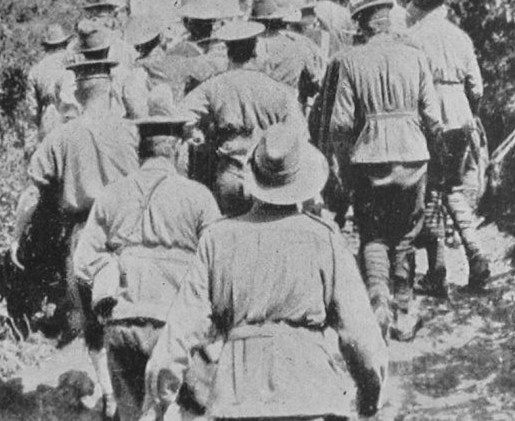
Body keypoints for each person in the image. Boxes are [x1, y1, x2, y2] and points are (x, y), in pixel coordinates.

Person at [144, 123, 387, 421]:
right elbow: (361, 335)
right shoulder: (325, 239)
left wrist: (159, 399)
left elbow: (181, 328)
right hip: (312, 396)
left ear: (253, 177)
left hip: (238, 398)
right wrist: (369, 397)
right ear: (302, 181)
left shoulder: (218, 240)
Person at [73, 104, 220, 421]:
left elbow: (83, 262)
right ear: (178, 148)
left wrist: (113, 275)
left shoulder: (112, 195)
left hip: (124, 323)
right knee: (198, 409)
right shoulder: (198, 197)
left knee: (132, 413)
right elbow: (218, 267)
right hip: (178, 326)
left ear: (140, 150)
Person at [13, 55, 140, 417]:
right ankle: (135, 392)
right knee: (134, 312)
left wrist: (16, 235)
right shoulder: (132, 130)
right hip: (131, 231)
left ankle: (109, 393)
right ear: (110, 87)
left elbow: (32, 194)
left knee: (93, 325)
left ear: (79, 91)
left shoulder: (61, 136)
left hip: (86, 235)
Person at [327, 0, 443, 341]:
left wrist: (345, 166)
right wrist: (436, 159)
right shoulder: (416, 56)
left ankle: (378, 305)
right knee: (406, 234)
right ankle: (404, 311)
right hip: (413, 156)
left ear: (362, 26)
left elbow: (340, 125)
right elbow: (433, 118)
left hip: (369, 158)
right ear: (389, 22)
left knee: (373, 233)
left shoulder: (350, 60)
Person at [400, 0, 490, 293]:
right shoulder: (460, 37)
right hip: (460, 115)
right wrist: (468, 116)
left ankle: (436, 272)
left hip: (430, 117)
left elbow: (409, 87)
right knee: (450, 187)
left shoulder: (414, 39)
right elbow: (476, 88)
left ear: (420, 1)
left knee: (430, 191)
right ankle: (476, 257)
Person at [180, 20, 303, 215]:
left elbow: (183, 115)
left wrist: (196, 134)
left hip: (229, 173)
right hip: (266, 177)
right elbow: (298, 131)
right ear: (255, 51)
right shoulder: (278, 90)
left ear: (227, 50)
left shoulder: (214, 86)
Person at [249, 0, 324, 108]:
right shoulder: (298, 44)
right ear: (279, 19)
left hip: (257, 111)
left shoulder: (247, 48)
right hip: (290, 109)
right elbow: (313, 83)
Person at [26, 23, 71, 129]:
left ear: (47, 47)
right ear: (65, 44)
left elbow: (32, 109)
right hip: (69, 117)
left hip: (46, 119)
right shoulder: (70, 62)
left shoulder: (36, 70)